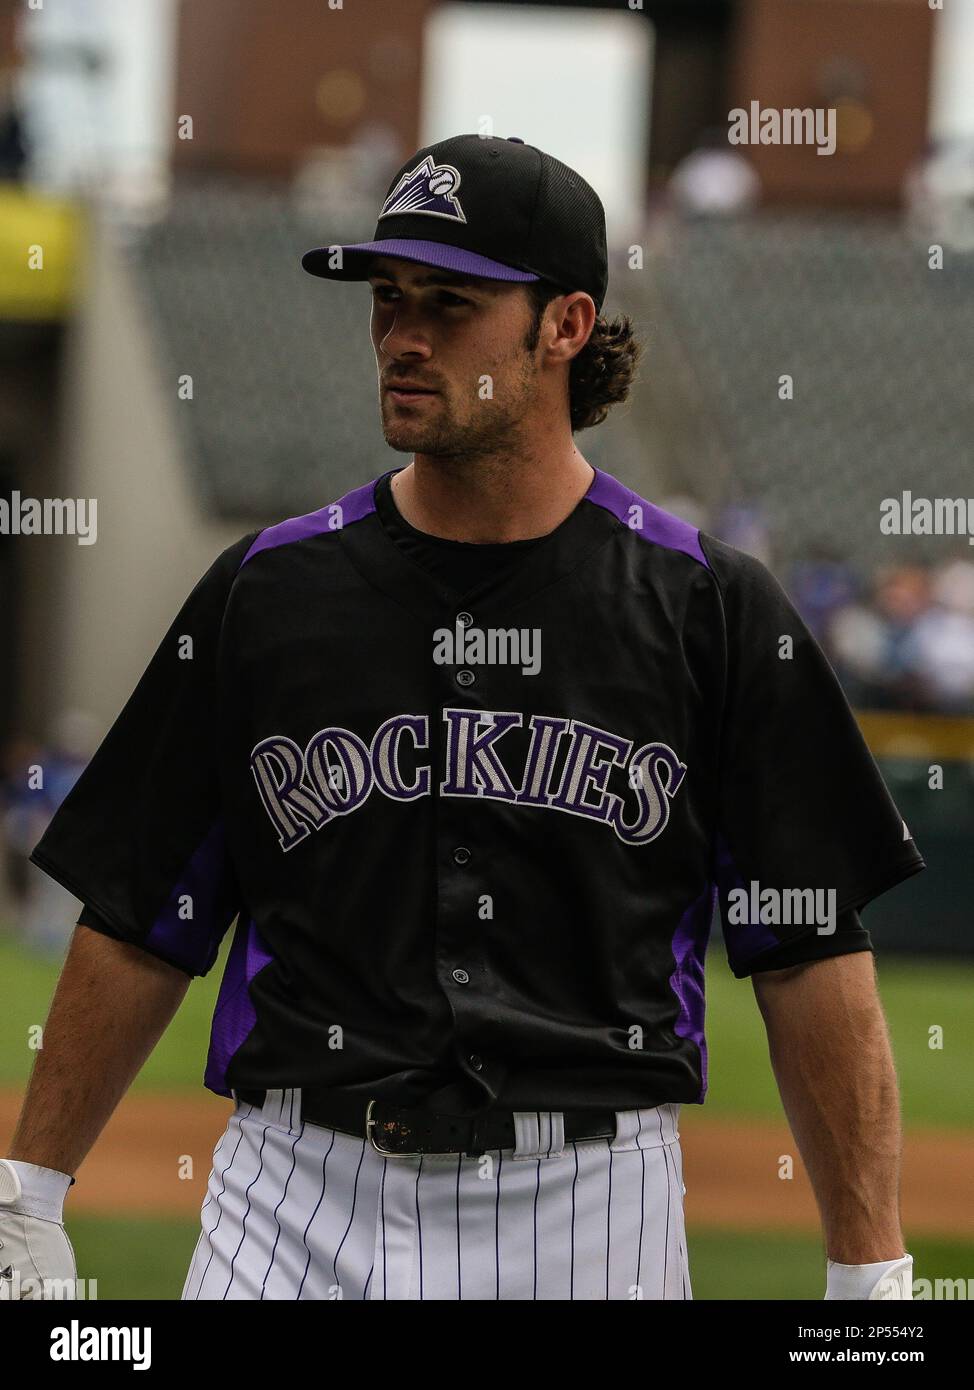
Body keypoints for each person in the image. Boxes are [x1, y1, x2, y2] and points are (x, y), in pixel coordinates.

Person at [2, 134, 923, 1301]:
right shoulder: (268, 592)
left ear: (564, 326)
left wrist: (869, 1270)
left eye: (449, 303)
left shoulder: (707, 609)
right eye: (387, 301)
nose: (401, 337)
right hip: (291, 1196)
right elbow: (141, 912)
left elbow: (808, 953)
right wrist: (26, 1190)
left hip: (588, 1214)